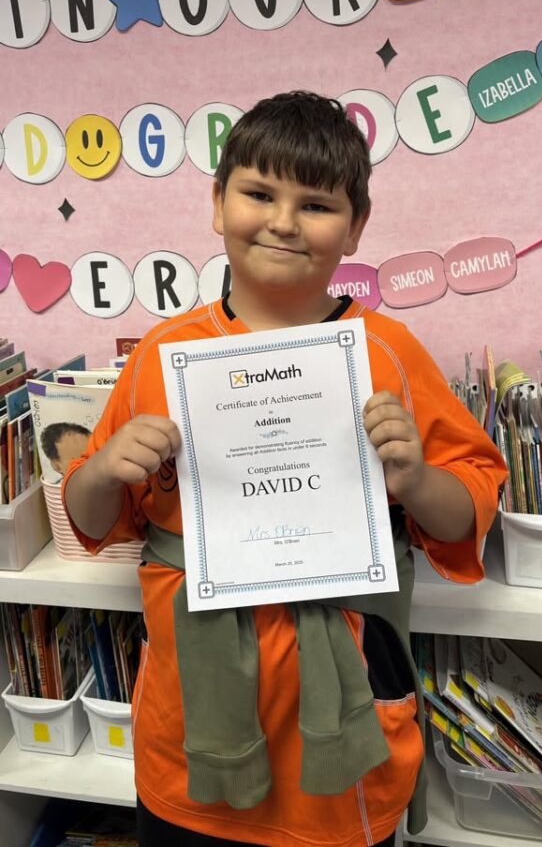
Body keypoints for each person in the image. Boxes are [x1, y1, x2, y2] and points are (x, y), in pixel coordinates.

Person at [62, 91, 507, 847]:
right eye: (259, 194)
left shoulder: (390, 353)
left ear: (356, 225)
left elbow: (469, 505)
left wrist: (415, 480)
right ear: (217, 202)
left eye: (317, 205)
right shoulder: (160, 355)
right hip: (189, 718)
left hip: (346, 718)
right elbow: (90, 518)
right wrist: (103, 470)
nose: (283, 222)